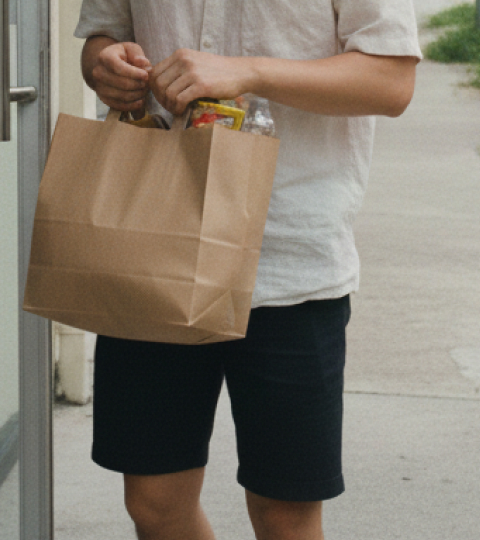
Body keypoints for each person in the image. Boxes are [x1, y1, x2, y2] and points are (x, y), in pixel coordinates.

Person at [74, 2, 422, 539]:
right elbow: (102, 40)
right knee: (153, 500)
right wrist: (107, 66)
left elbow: (391, 79)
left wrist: (250, 70)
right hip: (156, 239)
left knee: (285, 513)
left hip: (290, 254)